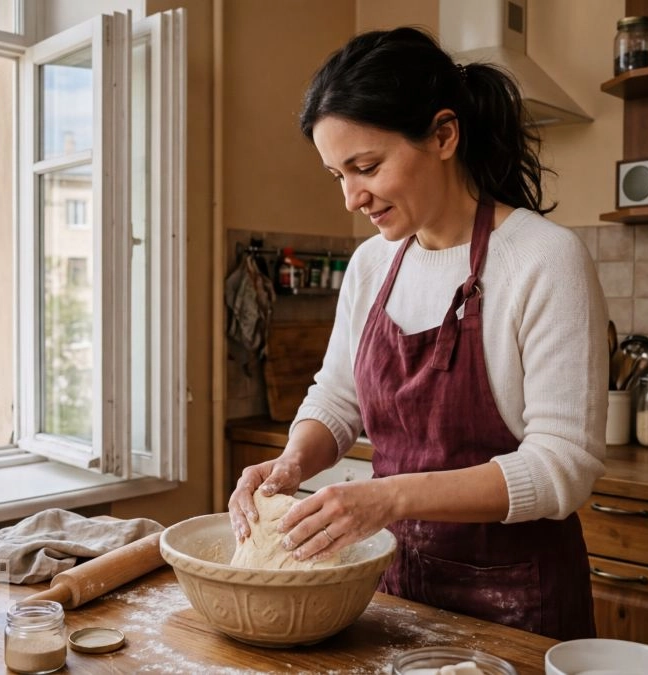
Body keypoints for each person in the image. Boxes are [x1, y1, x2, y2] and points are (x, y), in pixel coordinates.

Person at [227, 27, 608, 641]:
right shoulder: (373, 264)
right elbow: (337, 398)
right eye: (336, 175)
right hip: (391, 589)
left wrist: (389, 498)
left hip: (517, 605)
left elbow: (563, 466)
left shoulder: (543, 258)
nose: (352, 198)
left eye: (367, 167)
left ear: (443, 136)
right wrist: (293, 463)